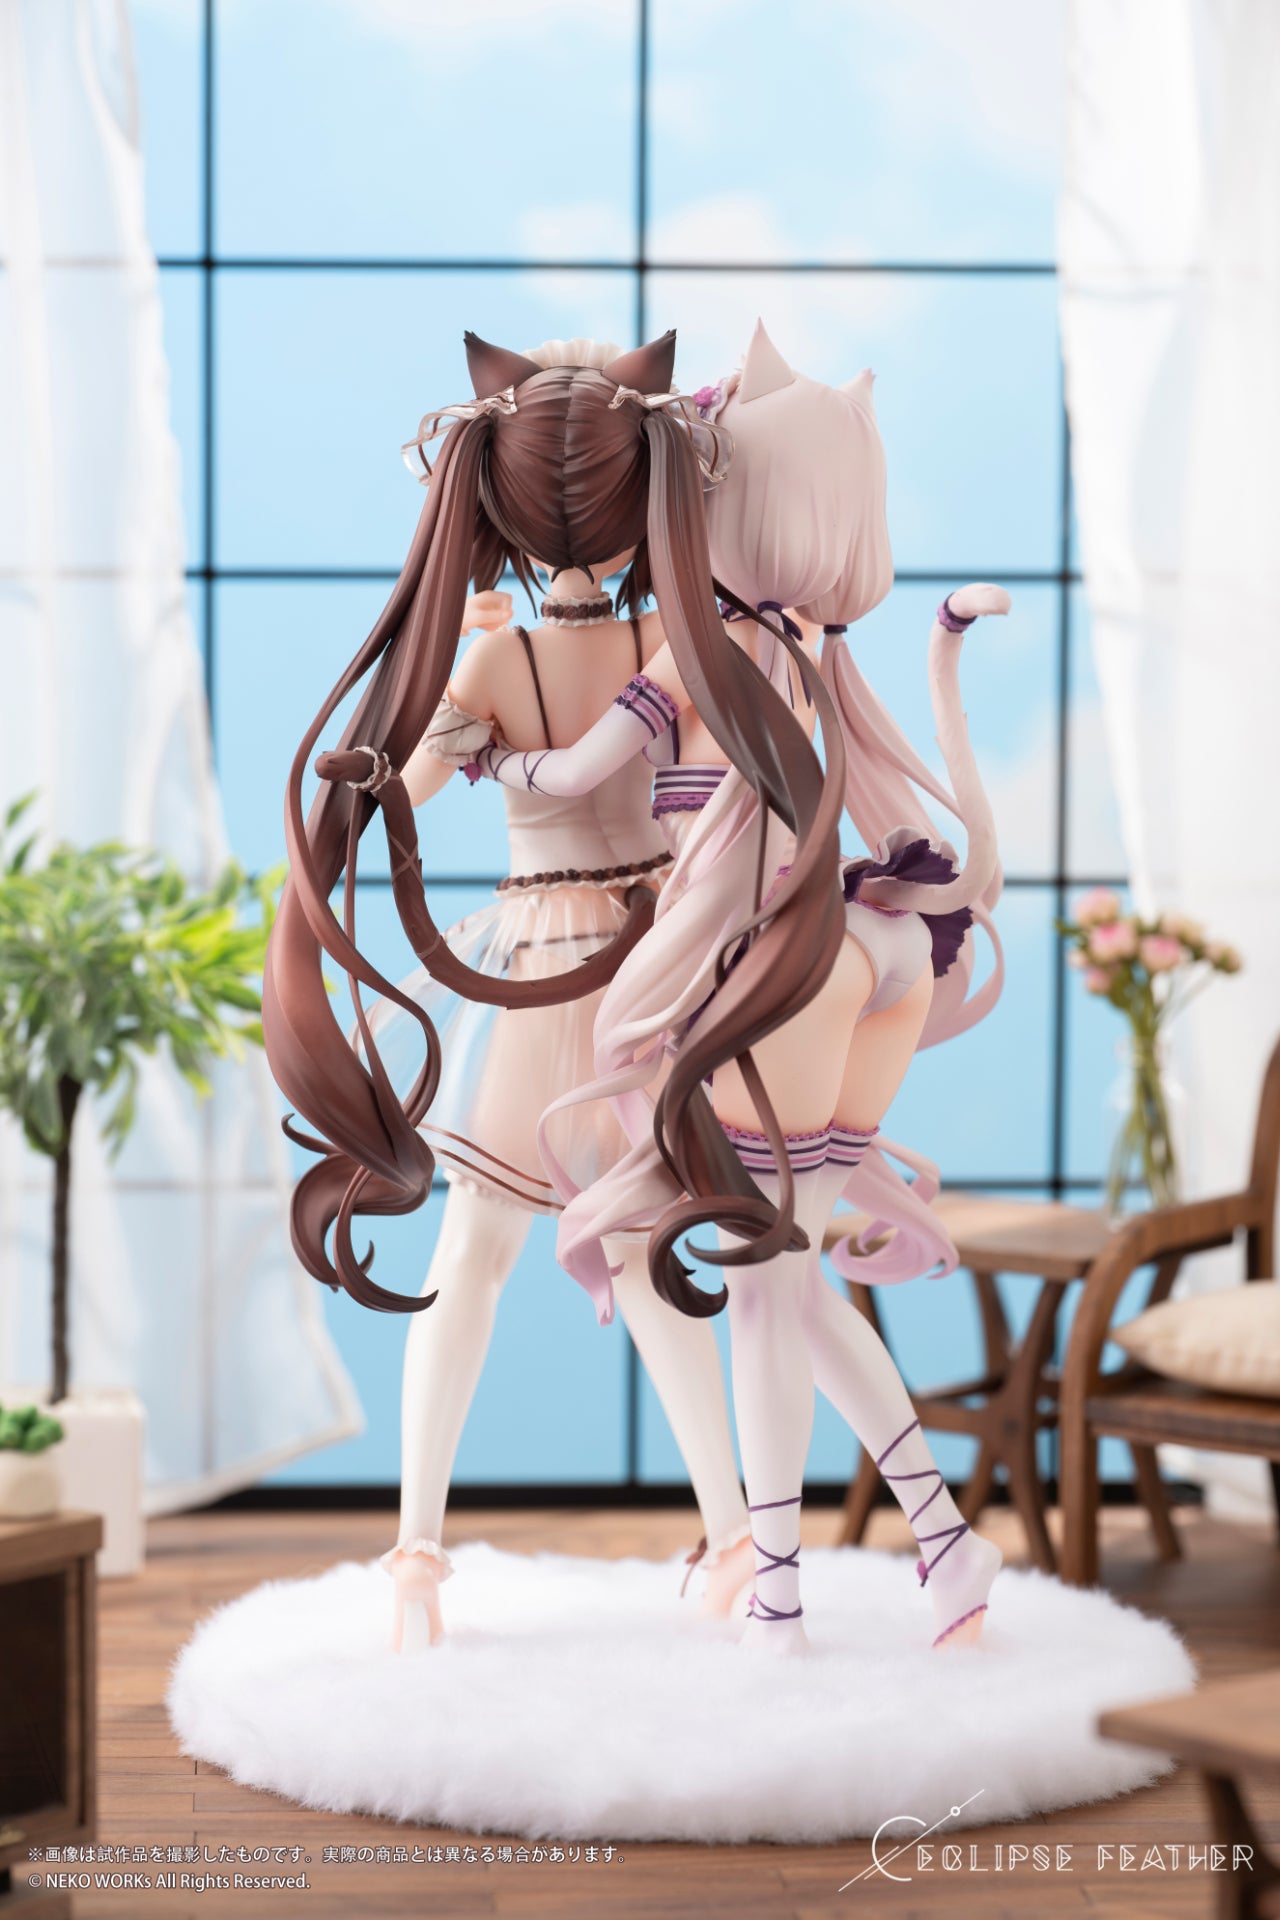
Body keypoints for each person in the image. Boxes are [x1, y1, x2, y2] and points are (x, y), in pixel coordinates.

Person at [466, 325, 1008, 1652]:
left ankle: (777, 1588)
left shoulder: (696, 654)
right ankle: (947, 1543)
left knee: (767, 1287)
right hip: (878, 951)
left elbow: (575, 770)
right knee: (799, 1276)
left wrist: (494, 764)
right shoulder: (821, 649)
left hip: (780, 975)